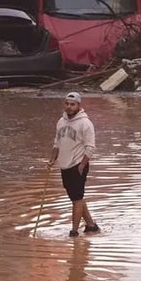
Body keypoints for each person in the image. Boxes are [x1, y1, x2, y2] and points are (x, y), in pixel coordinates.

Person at [47, 92, 99, 237]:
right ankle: (91, 225)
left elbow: (91, 148)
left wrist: (81, 166)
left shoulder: (85, 123)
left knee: (76, 199)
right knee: (77, 198)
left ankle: (74, 232)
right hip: (64, 165)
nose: (69, 107)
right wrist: (52, 160)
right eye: (67, 104)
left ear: (79, 106)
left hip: (78, 165)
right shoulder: (61, 122)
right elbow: (56, 144)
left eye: (72, 104)